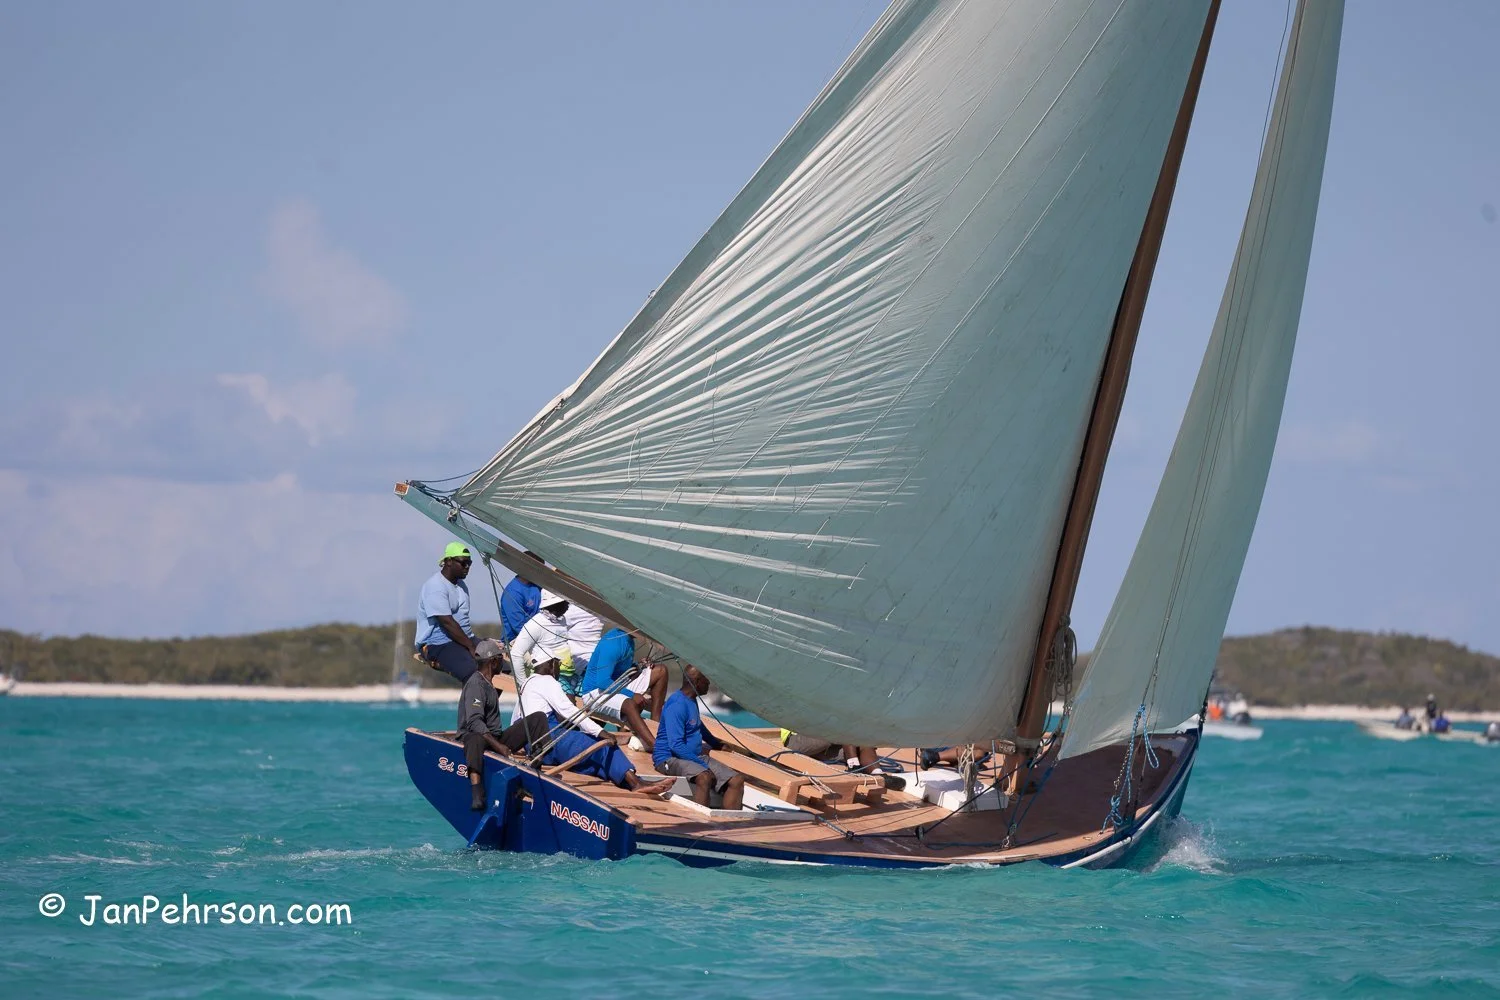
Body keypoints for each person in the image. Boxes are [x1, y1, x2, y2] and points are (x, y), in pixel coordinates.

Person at [515, 656, 665, 796]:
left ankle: (631, 782)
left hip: (533, 746)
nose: (559, 669)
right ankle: (636, 783)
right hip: (547, 739)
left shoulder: (527, 683)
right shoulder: (548, 681)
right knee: (602, 745)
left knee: (591, 761)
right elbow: (570, 711)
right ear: (551, 664)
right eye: (558, 664)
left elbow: (516, 720)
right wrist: (600, 732)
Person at [457, 640, 550, 810]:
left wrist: (500, 744)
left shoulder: (490, 683)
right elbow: (474, 721)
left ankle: (535, 768)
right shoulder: (475, 684)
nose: (502, 663)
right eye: (500, 659)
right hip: (476, 738)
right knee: (474, 738)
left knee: (538, 719)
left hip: (495, 737)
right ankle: (477, 791)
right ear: (493, 662)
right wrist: (500, 748)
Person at [654, 665, 744, 810]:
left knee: (736, 780)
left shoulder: (691, 700)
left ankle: (729, 825)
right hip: (669, 758)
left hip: (692, 756)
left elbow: (697, 724)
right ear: (696, 682)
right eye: (706, 680)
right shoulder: (677, 705)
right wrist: (703, 765)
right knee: (704, 776)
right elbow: (675, 745)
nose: (709, 684)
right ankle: (701, 823)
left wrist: (716, 744)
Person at [579, 628, 667, 752]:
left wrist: (637, 666)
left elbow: (619, 671)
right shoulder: (613, 643)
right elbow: (603, 681)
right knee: (630, 703)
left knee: (661, 671)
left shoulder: (629, 639)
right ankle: (655, 746)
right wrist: (631, 695)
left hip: (618, 684)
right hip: (595, 692)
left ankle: (655, 726)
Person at [416, 542, 480, 682]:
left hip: (462, 639)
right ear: (449, 561)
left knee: (498, 663)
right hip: (437, 643)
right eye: (463, 563)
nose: (467, 567)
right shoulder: (435, 587)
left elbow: (463, 620)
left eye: (470, 563)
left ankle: (488, 702)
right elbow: (447, 622)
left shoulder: (461, 585)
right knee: (472, 671)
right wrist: (470, 646)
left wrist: (480, 643)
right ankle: (472, 703)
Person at [508, 590, 576, 690]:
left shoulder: (562, 619)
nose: (568, 604)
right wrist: (523, 685)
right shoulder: (535, 625)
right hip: (547, 677)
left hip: (568, 674)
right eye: (564, 602)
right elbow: (516, 654)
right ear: (555, 604)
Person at [500, 551, 544, 644]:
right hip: (517, 641)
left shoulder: (537, 586)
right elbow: (519, 627)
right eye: (538, 568)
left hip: (539, 636)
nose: (541, 572)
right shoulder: (513, 592)